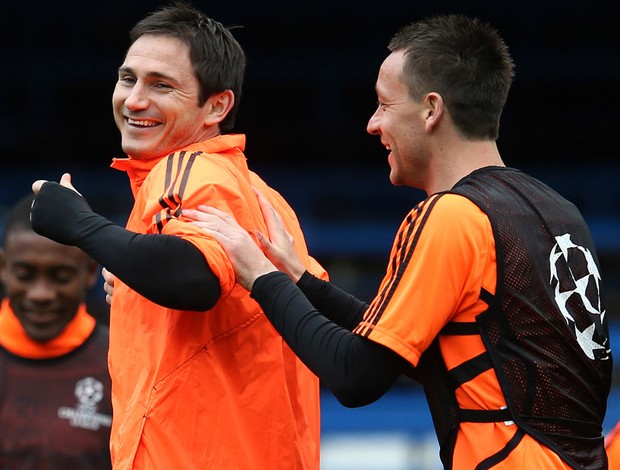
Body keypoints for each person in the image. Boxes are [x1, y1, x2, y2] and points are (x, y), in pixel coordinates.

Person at [181, 14, 612, 469]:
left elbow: (356, 376)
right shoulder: (560, 210)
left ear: (431, 109)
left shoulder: (452, 216)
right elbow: (438, 360)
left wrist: (262, 278)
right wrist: (300, 281)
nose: (372, 124)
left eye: (384, 104)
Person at [29, 2, 326, 469]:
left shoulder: (188, 170)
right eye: (128, 79)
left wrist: (78, 224)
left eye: (161, 85)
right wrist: (133, 277)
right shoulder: (252, 188)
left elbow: (194, 276)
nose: (134, 100)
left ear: (217, 106)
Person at [0, 194, 112, 468]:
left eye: (61, 277)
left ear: (89, 271)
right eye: (25, 275)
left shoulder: (121, 361)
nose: (41, 294)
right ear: (3, 267)